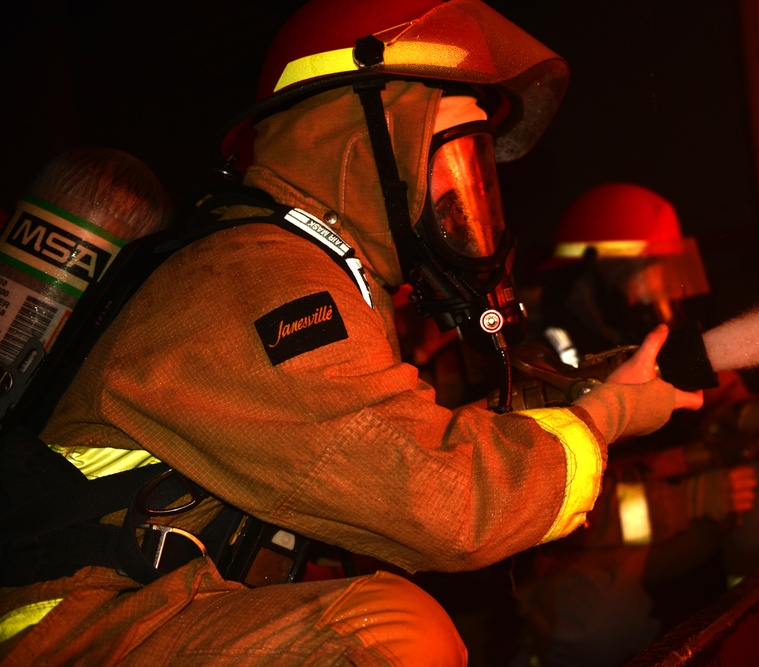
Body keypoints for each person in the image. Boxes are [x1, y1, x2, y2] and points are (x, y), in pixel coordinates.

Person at [0, 4, 704, 665]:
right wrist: (602, 420)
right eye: (449, 161)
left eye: (476, 174)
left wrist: (582, 407)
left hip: (127, 614)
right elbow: (440, 500)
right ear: (364, 142)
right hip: (65, 632)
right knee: (393, 636)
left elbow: (393, 447)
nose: (466, 199)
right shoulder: (265, 280)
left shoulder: (317, 273)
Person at [511, 182, 759, 667]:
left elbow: (726, 400)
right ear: (592, 282)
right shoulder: (539, 370)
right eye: (645, 277)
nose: (661, 293)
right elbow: (562, 513)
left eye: (668, 275)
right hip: (590, 556)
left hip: (670, 535)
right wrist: (689, 500)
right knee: (597, 619)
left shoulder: (654, 344)